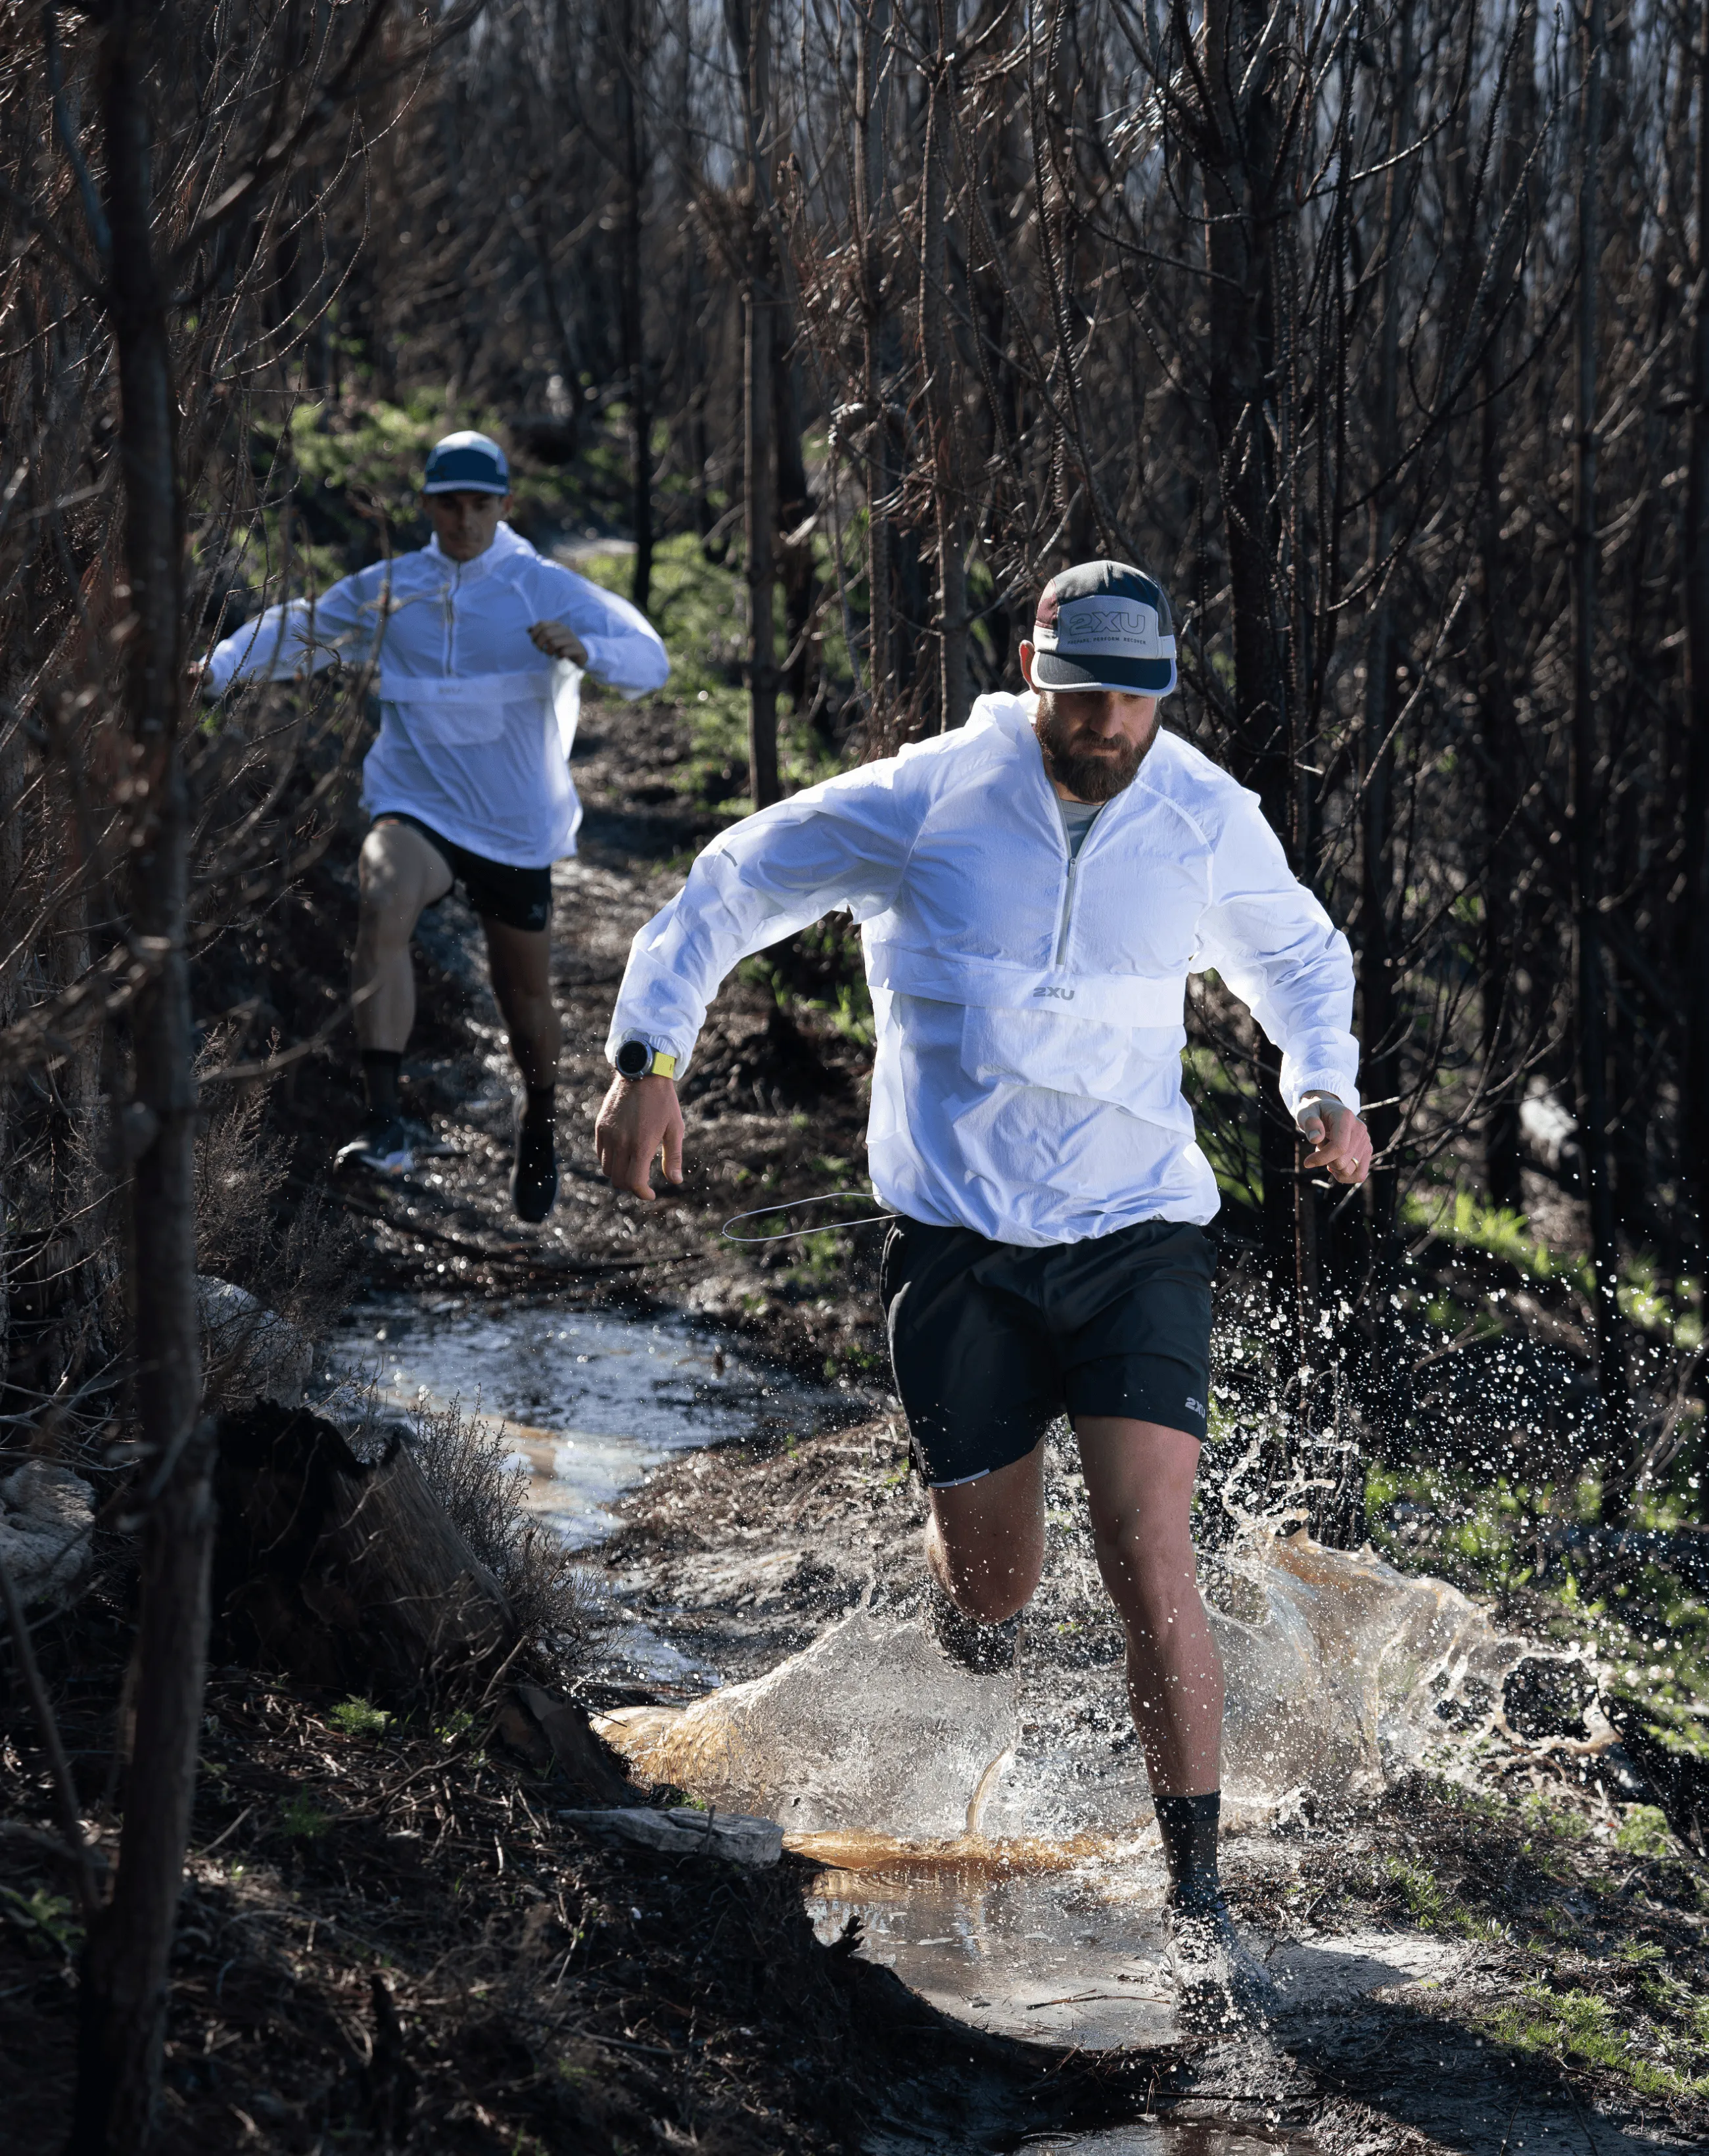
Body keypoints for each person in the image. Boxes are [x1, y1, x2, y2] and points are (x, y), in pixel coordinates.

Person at [594, 561, 1371, 2019]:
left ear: (1163, 692)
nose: (1105, 725)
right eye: (1080, 693)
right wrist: (651, 1056)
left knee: (1151, 1553)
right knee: (997, 1586)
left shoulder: (1203, 813)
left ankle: (1197, 1893)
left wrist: (1323, 1082)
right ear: (1032, 666)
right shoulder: (928, 798)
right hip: (958, 1249)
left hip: (1138, 1231)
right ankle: (969, 1604)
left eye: (1133, 700)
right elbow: (733, 881)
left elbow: (1298, 954)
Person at [201, 431, 670, 1220]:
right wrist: (218, 668)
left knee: (521, 994)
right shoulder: (394, 586)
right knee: (381, 898)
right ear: (426, 506)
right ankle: (385, 1120)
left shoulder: (538, 585)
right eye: (447, 504)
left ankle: (539, 1118)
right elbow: (306, 627)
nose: (462, 519)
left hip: (513, 823)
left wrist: (585, 648)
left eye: (478, 505)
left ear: (504, 507)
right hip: (416, 805)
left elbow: (648, 659)